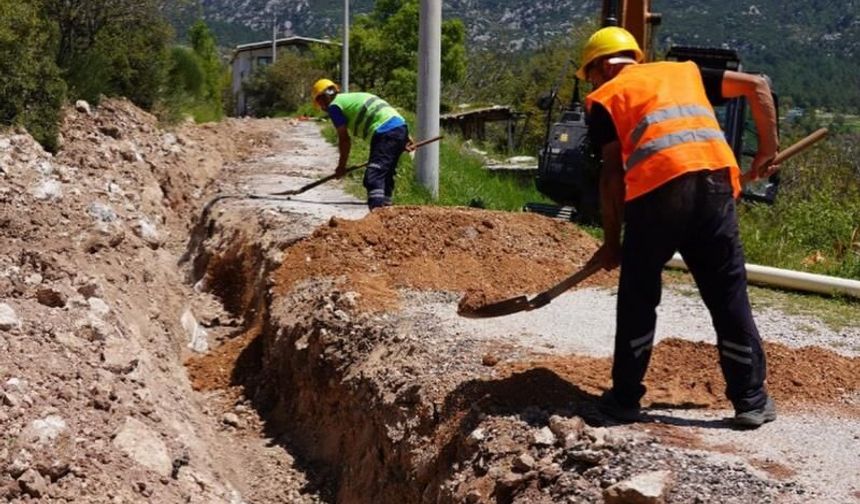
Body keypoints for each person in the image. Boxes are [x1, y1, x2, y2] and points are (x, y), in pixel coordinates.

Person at [579, 27, 780, 428]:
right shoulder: (683, 71)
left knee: (639, 295)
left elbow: (611, 178)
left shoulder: (604, 98)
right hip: (714, 187)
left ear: (601, 66)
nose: (594, 82)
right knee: (727, 294)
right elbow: (758, 86)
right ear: (634, 57)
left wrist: (611, 242)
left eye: (591, 74)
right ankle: (751, 400)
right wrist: (767, 152)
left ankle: (623, 399)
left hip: (656, 192)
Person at [310, 79, 414, 209]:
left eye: (319, 103)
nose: (322, 108)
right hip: (399, 127)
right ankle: (387, 211)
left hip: (385, 131)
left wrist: (341, 167)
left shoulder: (334, 107)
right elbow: (386, 111)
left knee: (374, 176)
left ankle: (377, 216)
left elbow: (344, 140)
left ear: (323, 98)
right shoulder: (351, 98)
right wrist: (404, 137)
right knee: (386, 174)